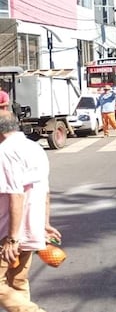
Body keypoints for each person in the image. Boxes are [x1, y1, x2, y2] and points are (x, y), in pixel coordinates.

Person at [0, 111, 61, 312]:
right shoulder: (34, 147)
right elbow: (44, 187)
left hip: (9, 232)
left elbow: (15, 194)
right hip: (31, 227)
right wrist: (44, 223)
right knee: (18, 281)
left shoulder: (5, 151)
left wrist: (12, 238)